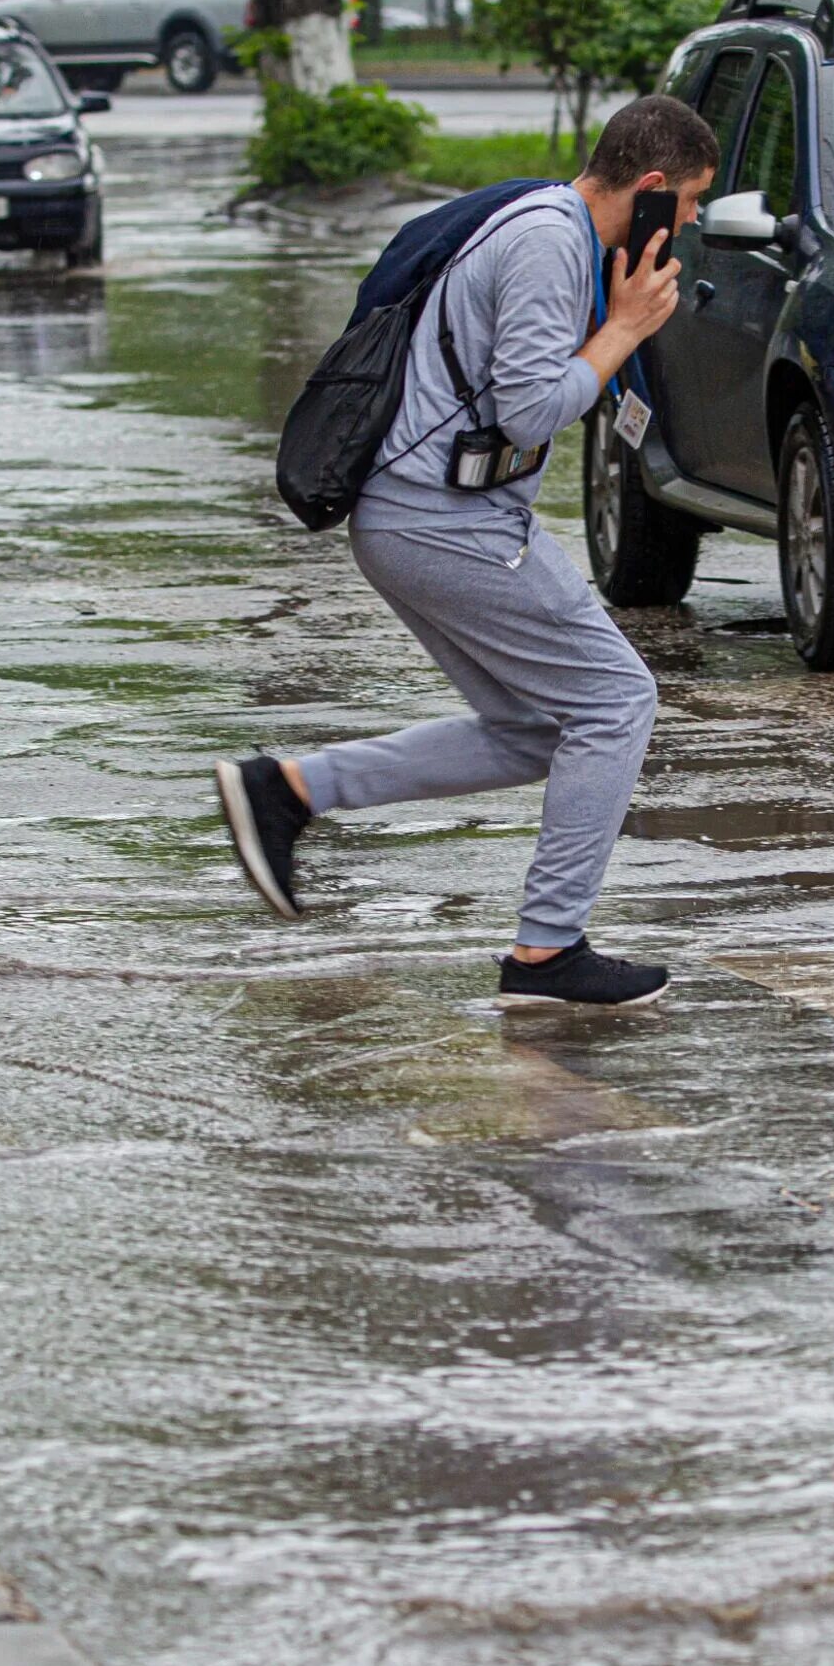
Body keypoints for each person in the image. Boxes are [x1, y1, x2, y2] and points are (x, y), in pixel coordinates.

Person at [215, 94, 720, 1007]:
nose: (690, 222)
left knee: (536, 729)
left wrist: (610, 317)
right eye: (688, 202)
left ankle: (288, 789)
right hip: (444, 522)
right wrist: (624, 330)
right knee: (617, 701)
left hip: (433, 520)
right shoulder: (547, 242)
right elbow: (530, 408)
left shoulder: (554, 229)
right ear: (649, 189)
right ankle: (547, 952)